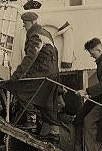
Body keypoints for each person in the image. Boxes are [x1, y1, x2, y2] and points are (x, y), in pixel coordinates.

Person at [4, 11, 60, 141]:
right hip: (51, 71)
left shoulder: (36, 35)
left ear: (32, 22)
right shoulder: (45, 32)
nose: (24, 26)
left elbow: (30, 57)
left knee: (19, 88)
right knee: (46, 100)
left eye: (25, 23)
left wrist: (16, 76)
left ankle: (31, 121)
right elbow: (55, 52)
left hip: (43, 71)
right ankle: (54, 133)